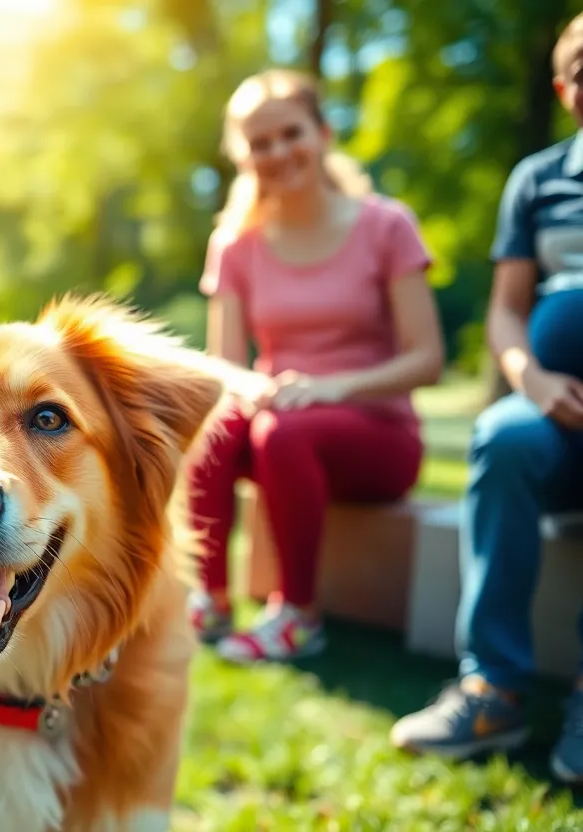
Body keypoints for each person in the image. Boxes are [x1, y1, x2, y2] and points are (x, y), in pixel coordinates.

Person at [185, 68, 445, 664]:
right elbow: (224, 366)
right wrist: (255, 387)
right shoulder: (234, 243)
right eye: (260, 143)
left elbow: (427, 359)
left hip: (378, 436)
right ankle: (211, 598)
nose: (278, 152)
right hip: (280, 426)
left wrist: (328, 389)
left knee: (283, 432)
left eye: (290, 134)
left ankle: (298, 616)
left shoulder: (387, 225)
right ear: (242, 156)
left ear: (324, 133)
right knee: (215, 422)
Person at [390, 12, 583, 782]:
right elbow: (508, 305)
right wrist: (530, 379)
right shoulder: (536, 179)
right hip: (548, 412)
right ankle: (492, 687)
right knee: (501, 439)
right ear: (566, 87)